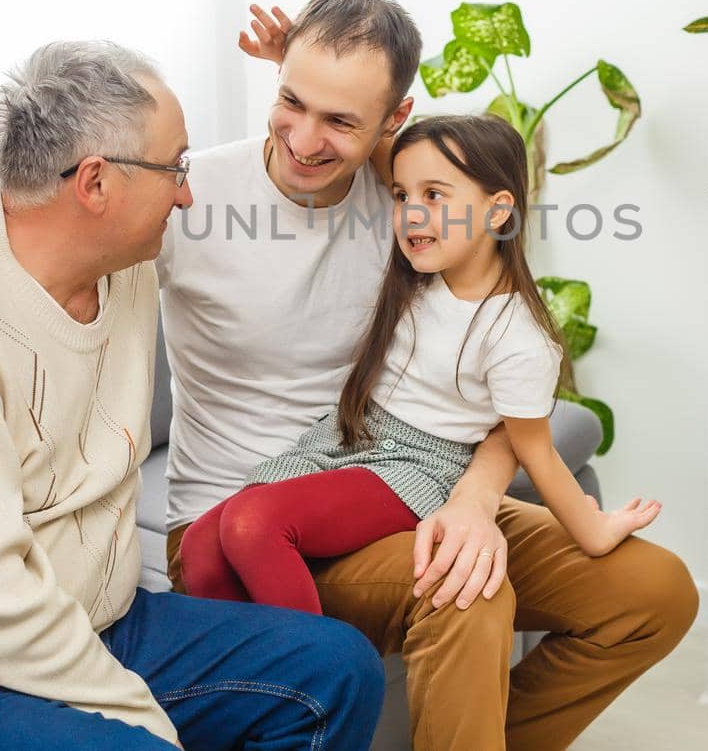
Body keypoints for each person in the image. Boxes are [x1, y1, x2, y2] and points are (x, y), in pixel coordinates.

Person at [0, 41, 384, 751]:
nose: (188, 192)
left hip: (93, 620)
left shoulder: (125, 266)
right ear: (95, 184)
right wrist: (138, 714)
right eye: (175, 168)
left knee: (337, 671)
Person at [158, 0, 699, 750]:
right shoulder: (192, 196)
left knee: (655, 592)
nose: (304, 139)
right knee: (465, 590)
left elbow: (504, 374)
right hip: (241, 514)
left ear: (393, 121)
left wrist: (478, 497)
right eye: (292, 101)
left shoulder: (413, 204)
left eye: (342, 119)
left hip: (409, 480)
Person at [179, 114, 663, 614]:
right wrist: (315, 85)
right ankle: (254, 685)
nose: (411, 214)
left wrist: (596, 532)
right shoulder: (418, 275)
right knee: (200, 548)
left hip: (419, 466)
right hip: (347, 440)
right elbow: (378, 143)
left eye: (434, 196)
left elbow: (536, 450)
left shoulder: (517, 336)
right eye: (402, 197)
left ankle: (322, 676)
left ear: (498, 212)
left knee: (253, 522)